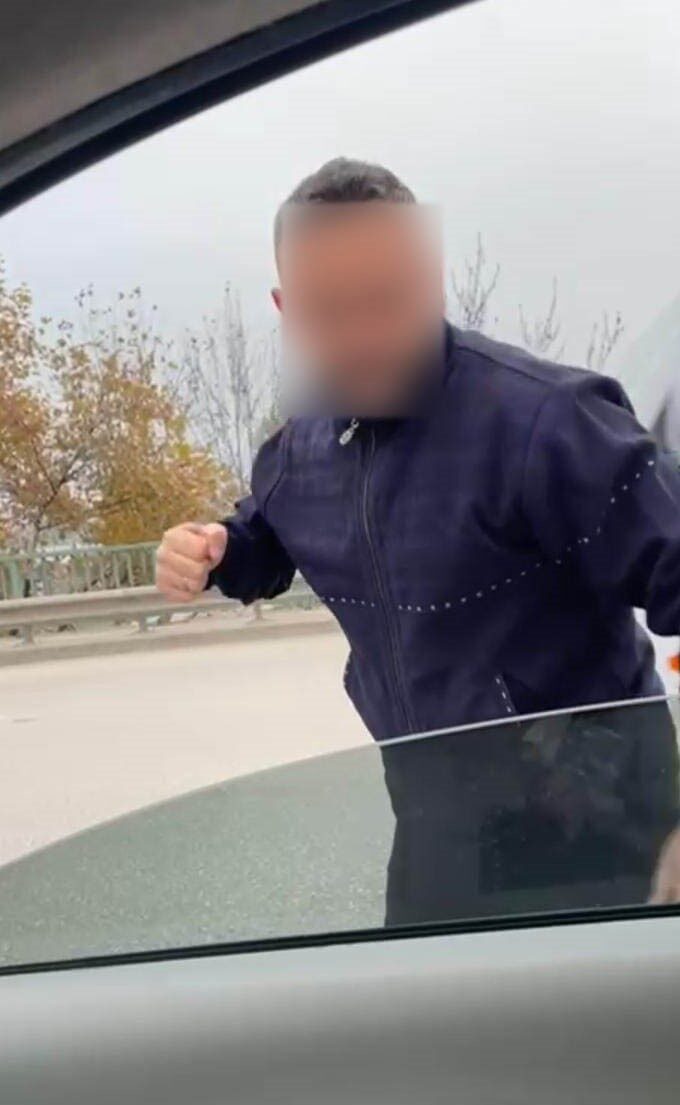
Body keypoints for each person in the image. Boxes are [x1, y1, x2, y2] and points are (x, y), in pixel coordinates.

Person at [156, 157, 680, 916]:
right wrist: (214, 551)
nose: (361, 335)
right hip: (437, 835)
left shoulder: (547, 423)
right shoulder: (299, 452)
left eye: (385, 300)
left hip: (608, 842)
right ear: (286, 307)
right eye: (329, 310)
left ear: (431, 281)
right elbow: (265, 539)